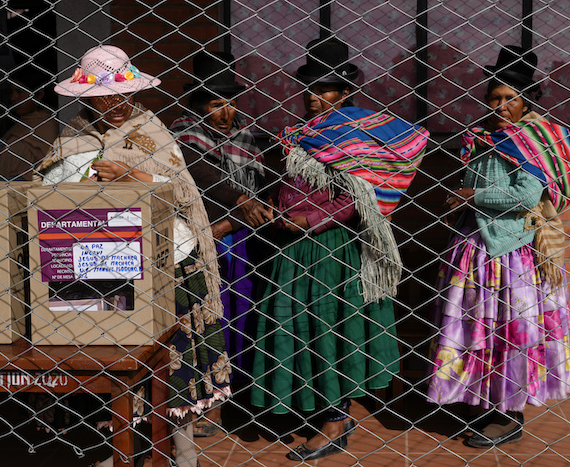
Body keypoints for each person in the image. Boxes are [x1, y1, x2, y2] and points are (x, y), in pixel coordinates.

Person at [39, 45, 232, 467]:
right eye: (103, 96)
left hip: (166, 264)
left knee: (171, 361)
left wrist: (132, 174)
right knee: (115, 360)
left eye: (121, 94)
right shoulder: (72, 137)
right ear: (86, 97)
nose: (114, 104)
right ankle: (124, 448)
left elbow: (183, 192)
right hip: (102, 263)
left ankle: (184, 453)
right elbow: (46, 189)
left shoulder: (152, 130)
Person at [250, 38, 429, 461]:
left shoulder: (358, 134)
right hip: (292, 250)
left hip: (333, 249)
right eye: (309, 88)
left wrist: (310, 220)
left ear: (345, 92)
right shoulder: (301, 134)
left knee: (332, 328)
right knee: (300, 326)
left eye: (324, 89)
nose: (314, 97)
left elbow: (359, 197)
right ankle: (312, 406)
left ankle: (335, 420)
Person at [426, 46, 570, 448]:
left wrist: (471, 196)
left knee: (508, 330)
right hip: (473, 250)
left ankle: (508, 412)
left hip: (512, 253)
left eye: (509, 99)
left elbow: (527, 194)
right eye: (494, 98)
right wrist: (463, 201)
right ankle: (479, 400)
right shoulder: (481, 138)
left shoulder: (534, 140)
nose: (500, 105)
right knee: (476, 327)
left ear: (526, 100)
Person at [170, 51, 272, 438]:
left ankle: (239, 393)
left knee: (242, 313)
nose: (226, 112)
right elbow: (203, 179)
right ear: (198, 104)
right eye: (216, 104)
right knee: (209, 318)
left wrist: (249, 207)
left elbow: (258, 181)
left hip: (242, 240)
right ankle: (207, 401)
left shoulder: (242, 137)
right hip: (203, 240)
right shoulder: (184, 136)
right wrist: (241, 204)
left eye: (230, 102)